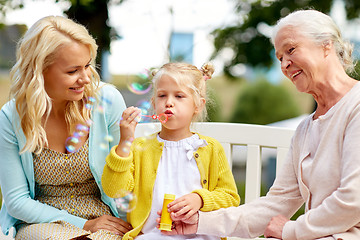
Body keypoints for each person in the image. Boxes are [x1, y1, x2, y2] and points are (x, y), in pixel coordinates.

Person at [156, 9, 360, 240]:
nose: (285, 64)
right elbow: (275, 205)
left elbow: (354, 199)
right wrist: (200, 222)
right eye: (280, 58)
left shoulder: (356, 105)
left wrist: (292, 230)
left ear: (326, 45)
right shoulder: (305, 129)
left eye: (291, 50)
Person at [0, 16, 133, 240]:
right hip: (41, 221)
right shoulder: (12, 117)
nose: (86, 78)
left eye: (88, 66)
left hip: (105, 219)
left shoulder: (106, 102)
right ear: (39, 72)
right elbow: (17, 202)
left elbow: (127, 179)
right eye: (73, 71)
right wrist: (83, 224)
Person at [101, 62, 240, 240]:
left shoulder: (210, 148)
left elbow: (230, 197)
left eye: (179, 96)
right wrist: (125, 143)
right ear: (153, 102)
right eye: (162, 95)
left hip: (201, 236)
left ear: (198, 105)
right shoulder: (139, 148)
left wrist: (200, 199)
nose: (169, 102)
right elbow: (114, 190)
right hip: (152, 235)